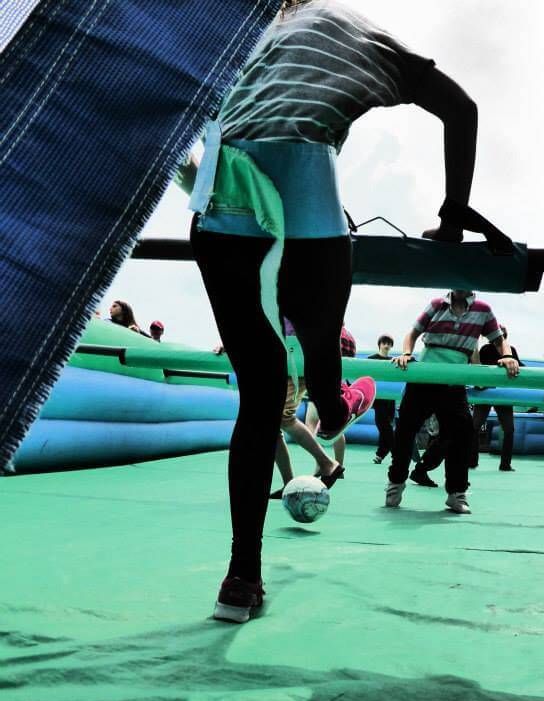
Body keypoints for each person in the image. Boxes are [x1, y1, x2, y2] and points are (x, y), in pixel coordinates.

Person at [184, 0, 507, 621]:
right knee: (321, 347)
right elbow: (462, 109)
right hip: (309, 213)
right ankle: (335, 405)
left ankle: (240, 580)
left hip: (221, 219)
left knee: (259, 400)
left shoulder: (226, 38)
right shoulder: (347, 27)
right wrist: (453, 216)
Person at [386, 290, 519, 513]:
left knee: (461, 435)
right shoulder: (436, 304)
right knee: (404, 432)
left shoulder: (483, 310)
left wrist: (507, 356)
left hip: (454, 382)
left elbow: (499, 341)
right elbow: (413, 333)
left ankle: (457, 494)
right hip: (424, 378)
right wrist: (407, 353)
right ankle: (395, 484)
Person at [469, 324, 522, 472]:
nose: (499, 337)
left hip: (502, 394)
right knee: (474, 427)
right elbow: (477, 366)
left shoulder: (511, 350)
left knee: (509, 429)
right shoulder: (486, 349)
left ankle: (505, 463)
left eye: (502, 335)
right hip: (485, 391)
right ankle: (472, 461)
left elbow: (519, 367)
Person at [304, 326, 357, 471]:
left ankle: (322, 462)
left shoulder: (326, 332)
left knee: (311, 423)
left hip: (321, 382)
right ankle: (339, 464)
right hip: (340, 384)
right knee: (336, 427)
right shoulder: (350, 337)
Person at [368, 335, 396, 464]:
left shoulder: (393, 361)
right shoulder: (371, 359)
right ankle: (396, 450)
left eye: (389, 343)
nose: (386, 345)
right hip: (378, 398)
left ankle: (380, 455)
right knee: (383, 426)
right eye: (384, 343)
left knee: (386, 428)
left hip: (390, 399)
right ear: (379, 344)